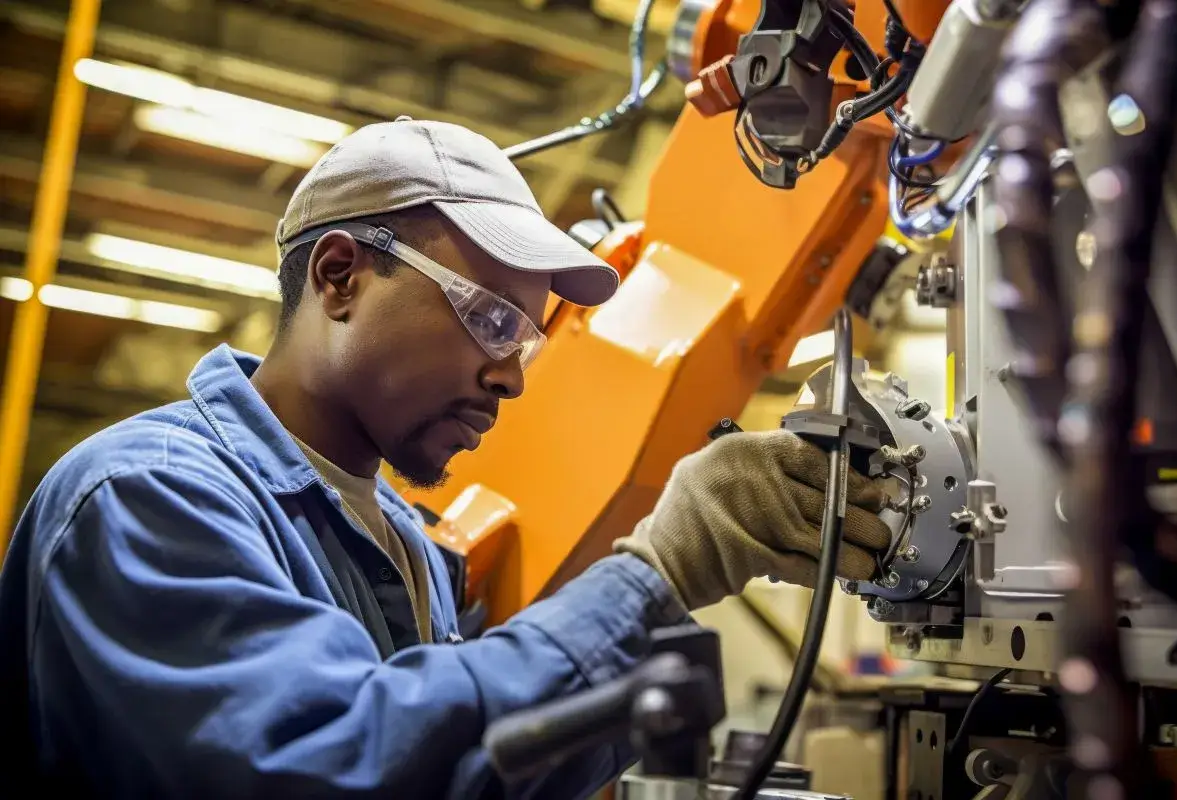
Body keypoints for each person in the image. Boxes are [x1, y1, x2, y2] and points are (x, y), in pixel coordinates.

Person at [0, 117, 892, 798]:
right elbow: (336, 768)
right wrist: (658, 571)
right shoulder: (148, 494)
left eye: (527, 340)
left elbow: (467, 777)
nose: (509, 377)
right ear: (340, 275)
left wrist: (653, 676)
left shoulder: (405, 541)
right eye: (492, 319)